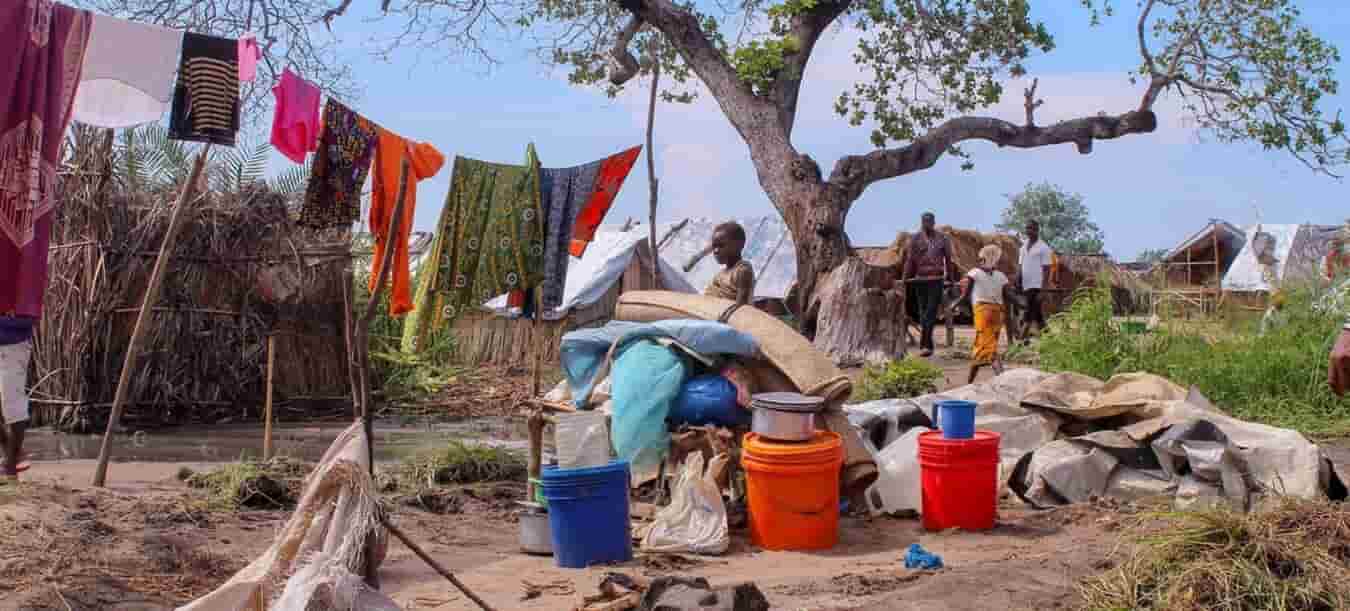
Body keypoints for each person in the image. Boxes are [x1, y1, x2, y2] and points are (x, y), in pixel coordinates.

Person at [901, 212, 957, 357]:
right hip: (920, 280)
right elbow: (910, 261)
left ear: (933, 222)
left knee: (930, 312)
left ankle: (925, 345)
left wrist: (951, 279)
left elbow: (949, 260)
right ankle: (927, 345)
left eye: (929, 221)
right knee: (923, 311)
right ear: (921, 222)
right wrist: (904, 279)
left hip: (936, 279)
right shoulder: (915, 239)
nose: (926, 224)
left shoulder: (943, 239)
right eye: (924, 221)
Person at [959, 245, 1011, 384]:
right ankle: (969, 384)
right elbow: (1010, 296)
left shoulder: (974, 273)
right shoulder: (1001, 276)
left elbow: (965, 296)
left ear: (983, 258)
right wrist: (1024, 305)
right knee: (981, 349)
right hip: (998, 315)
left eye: (981, 257)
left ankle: (1004, 383)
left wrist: (954, 305)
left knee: (990, 350)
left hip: (983, 313)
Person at [0, 315, 34, 481]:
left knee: (12, 405)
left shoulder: (23, 289)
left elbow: (29, 318)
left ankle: (10, 470)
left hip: (13, 345)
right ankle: (11, 453)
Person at [1017, 220, 1055, 338]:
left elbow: (1047, 270)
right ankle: (1050, 339)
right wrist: (1017, 279)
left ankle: (1020, 342)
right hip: (1026, 285)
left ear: (1037, 230)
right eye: (1027, 228)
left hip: (1037, 286)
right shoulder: (1023, 247)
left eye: (1032, 228)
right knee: (1037, 316)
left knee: (1028, 314)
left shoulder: (1044, 248)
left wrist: (1044, 290)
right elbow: (1020, 266)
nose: (1029, 231)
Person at [705, 222, 755, 306]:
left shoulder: (742, 271)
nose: (716, 251)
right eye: (714, 246)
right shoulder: (720, 275)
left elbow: (741, 308)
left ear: (739, 246)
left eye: (721, 246)